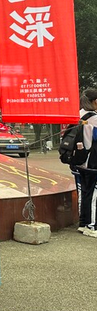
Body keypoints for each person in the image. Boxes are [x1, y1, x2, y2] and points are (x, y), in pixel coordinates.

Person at [75, 89, 97, 237]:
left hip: (78, 161)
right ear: (95, 101)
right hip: (92, 163)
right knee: (93, 195)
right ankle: (91, 226)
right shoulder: (94, 118)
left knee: (84, 193)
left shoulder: (78, 114)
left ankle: (83, 223)